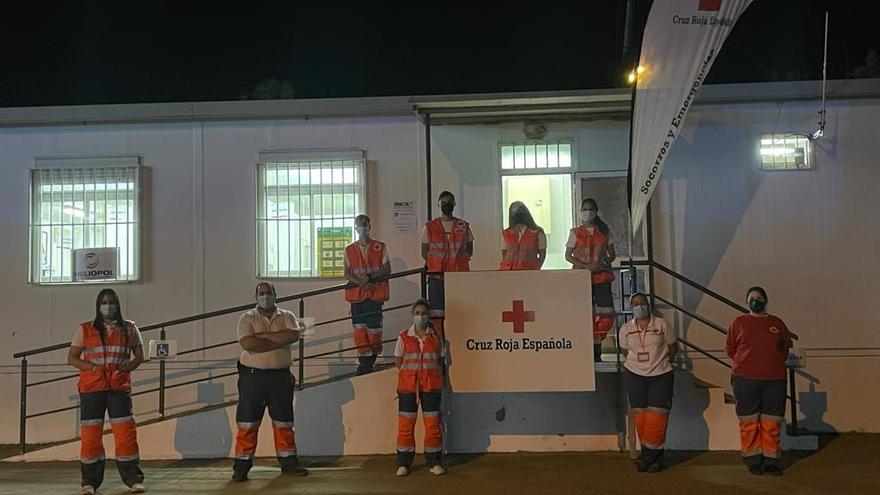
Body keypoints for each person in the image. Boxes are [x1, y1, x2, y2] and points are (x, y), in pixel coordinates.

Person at [67, 289, 145, 495]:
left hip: (118, 388)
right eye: (104, 302)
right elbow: (72, 357)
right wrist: (92, 369)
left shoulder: (130, 328)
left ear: (117, 304)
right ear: (97, 305)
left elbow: (139, 355)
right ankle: (89, 483)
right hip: (92, 389)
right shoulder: (85, 329)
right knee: (91, 437)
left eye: (111, 302)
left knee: (126, 435)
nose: (107, 305)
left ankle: (133, 479)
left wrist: (128, 367)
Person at [232, 282, 307, 482]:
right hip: (252, 378)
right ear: (256, 296)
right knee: (248, 423)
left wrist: (261, 338)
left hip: (280, 378)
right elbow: (247, 343)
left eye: (269, 293)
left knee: (284, 422)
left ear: (276, 294)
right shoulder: (246, 318)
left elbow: (293, 334)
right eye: (262, 293)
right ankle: (241, 466)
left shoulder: (287, 316)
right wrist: (278, 339)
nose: (265, 296)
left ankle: (289, 463)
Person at [726, 286, 792, 476]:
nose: (755, 300)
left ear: (766, 300)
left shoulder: (777, 324)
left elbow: (784, 347)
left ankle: (771, 460)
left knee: (772, 421)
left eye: (759, 297)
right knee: (749, 421)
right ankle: (753, 460)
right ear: (747, 302)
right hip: (745, 379)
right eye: (752, 298)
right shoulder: (738, 323)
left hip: (774, 379)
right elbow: (731, 348)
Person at [618, 292, 678, 472]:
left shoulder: (661, 324)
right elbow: (625, 351)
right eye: (635, 303)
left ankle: (647, 459)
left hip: (661, 376)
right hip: (635, 376)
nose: (639, 306)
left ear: (648, 305)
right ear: (631, 307)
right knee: (641, 418)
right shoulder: (625, 329)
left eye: (642, 302)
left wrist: (662, 362)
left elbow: (672, 347)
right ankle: (653, 458)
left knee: (656, 419)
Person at [393, 299, 446, 477]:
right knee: (406, 426)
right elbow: (398, 360)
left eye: (423, 313)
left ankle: (434, 462)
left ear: (428, 315)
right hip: (408, 388)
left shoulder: (437, 337)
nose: (420, 316)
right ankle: (404, 464)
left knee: (433, 426)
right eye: (417, 313)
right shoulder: (403, 336)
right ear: (413, 315)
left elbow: (440, 359)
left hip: (431, 387)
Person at [565, 198, 616, 361]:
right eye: (585, 209)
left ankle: (596, 339)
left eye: (591, 209)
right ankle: (592, 349)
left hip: (602, 278)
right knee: (584, 314)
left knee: (607, 314)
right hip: (581, 279)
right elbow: (568, 256)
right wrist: (586, 266)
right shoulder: (575, 232)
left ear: (596, 210)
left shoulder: (605, 230)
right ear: (581, 212)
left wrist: (604, 263)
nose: (588, 212)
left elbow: (612, 254)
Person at [421, 191, 474, 335]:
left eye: (449, 202)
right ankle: (440, 342)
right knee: (437, 312)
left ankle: (459, 340)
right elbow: (424, 252)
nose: (446, 205)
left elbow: (469, 250)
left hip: (458, 277)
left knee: (459, 309)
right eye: (443, 202)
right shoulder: (429, 227)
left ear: (454, 204)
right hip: (436, 276)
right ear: (439, 204)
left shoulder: (464, 226)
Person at [344, 214, 391, 375]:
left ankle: (372, 357)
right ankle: (365, 364)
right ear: (355, 228)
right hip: (357, 295)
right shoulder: (349, 249)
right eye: (360, 224)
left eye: (365, 224)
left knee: (374, 329)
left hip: (374, 294)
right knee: (359, 331)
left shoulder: (380, 246)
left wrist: (370, 278)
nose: (362, 227)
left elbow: (386, 269)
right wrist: (361, 282)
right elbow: (347, 272)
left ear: (369, 227)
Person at [499, 201, 546, 270]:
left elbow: (542, 256)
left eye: (519, 212)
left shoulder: (538, 233)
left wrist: (535, 269)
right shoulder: (506, 234)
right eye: (514, 213)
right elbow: (505, 255)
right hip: (508, 272)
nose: (517, 216)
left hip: (529, 272)